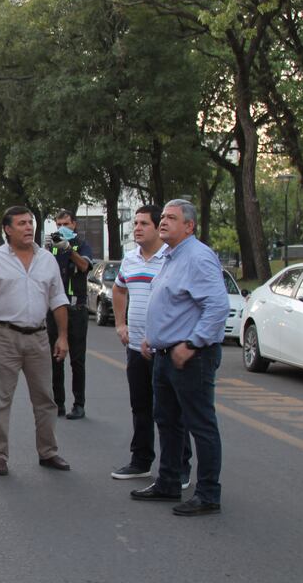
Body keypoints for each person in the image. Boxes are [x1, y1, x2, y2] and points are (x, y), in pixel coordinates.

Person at [130, 199, 228, 517]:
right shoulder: (172, 256)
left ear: (189, 225)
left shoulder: (198, 257)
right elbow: (173, 303)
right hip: (163, 354)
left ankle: (208, 493)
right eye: (162, 217)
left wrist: (192, 344)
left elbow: (217, 306)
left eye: (171, 218)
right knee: (168, 422)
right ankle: (168, 482)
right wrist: (152, 337)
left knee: (200, 425)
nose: (163, 222)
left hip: (190, 356)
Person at [0, 206, 71, 476]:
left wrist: (62, 336)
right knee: (0, 399)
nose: (29, 228)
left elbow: (58, 300)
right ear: (7, 229)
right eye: (22, 223)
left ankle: (48, 452)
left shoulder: (47, 260)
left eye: (31, 223)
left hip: (38, 336)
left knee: (46, 399)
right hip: (3, 336)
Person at [111, 205, 192, 486]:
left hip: (166, 349)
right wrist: (121, 324)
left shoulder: (170, 259)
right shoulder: (130, 260)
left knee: (172, 412)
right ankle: (141, 461)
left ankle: (179, 467)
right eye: (135, 223)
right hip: (136, 348)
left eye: (144, 223)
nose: (137, 228)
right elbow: (119, 288)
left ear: (158, 227)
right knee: (141, 407)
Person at [45, 209, 93, 419]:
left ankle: (79, 404)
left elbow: (84, 266)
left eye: (66, 224)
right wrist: (46, 249)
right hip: (55, 309)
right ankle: (58, 403)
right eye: (58, 225)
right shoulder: (51, 248)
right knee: (56, 358)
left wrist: (68, 249)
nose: (61, 228)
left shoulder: (81, 245)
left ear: (74, 224)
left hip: (76, 309)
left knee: (77, 360)